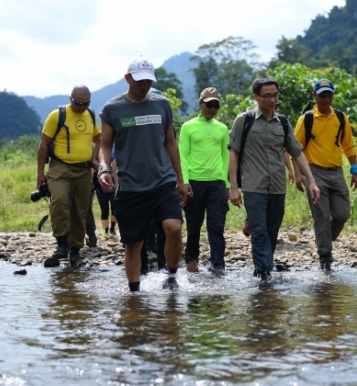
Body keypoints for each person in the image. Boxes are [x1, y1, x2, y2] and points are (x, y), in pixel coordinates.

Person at [98, 56, 187, 292]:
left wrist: (180, 179)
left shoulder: (162, 104)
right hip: (130, 185)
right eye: (139, 80)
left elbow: (171, 142)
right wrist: (104, 169)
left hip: (163, 181)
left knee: (174, 228)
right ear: (128, 78)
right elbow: (105, 146)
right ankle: (134, 293)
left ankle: (171, 275)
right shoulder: (112, 109)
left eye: (148, 80)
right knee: (134, 244)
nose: (144, 85)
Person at [228, 76, 321, 282]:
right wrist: (234, 187)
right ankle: (264, 274)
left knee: (272, 231)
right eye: (267, 96)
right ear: (256, 97)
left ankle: (263, 271)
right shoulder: (244, 121)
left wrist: (311, 181)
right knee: (259, 231)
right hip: (253, 187)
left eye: (275, 95)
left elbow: (297, 152)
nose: (272, 100)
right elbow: (233, 154)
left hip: (278, 187)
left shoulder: (284, 123)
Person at [292, 79, 357, 271]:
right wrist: (298, 174)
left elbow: (349, 145)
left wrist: (355, 170)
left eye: (329, 94)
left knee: (342, 214)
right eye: (322, 95)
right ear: (314, 96)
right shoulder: (306, 119)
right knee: (321, 215)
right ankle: (325, 255)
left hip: (336, 172)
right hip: (314, 173)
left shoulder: (340, 117)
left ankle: (323, 241)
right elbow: (296, 149)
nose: (326, 98)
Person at [37, 85, 101, 268]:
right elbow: (43, 145)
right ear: (70, 98)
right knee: (59, 202)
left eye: (85, 103)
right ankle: (62, 245)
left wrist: (94, 159)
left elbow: (99, 138)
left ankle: (75, 252)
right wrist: (40, 174)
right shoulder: (57, 115)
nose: (81, 107)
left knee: (80, 211)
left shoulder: (90, 115)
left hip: (83, 171)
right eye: (78, 103)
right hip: (60, 168)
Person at [179, 87, 229, 274]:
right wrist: (183, 182)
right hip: (194, 182)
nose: (213, 108)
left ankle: (218, 264)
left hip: (216, 182)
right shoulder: (188, 127)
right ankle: (192, 260)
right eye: (209, 104)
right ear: (201, 104)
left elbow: (225, 157)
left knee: (216, 224)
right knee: (194, 225)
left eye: (216, 105)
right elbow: (183, 155)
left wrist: (228, 184)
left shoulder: (222, 128)